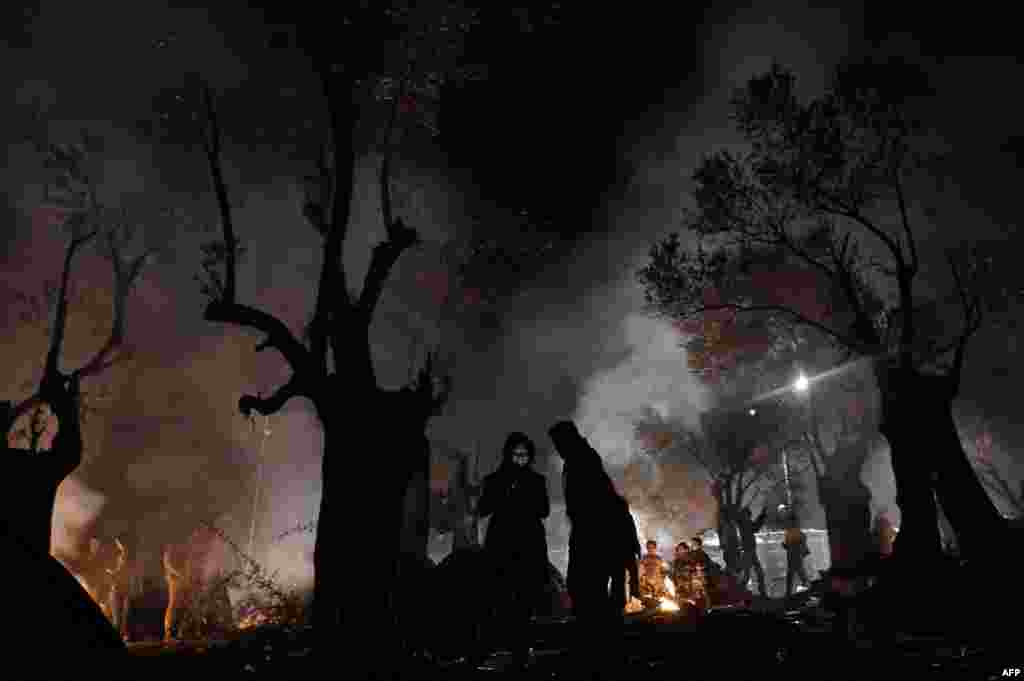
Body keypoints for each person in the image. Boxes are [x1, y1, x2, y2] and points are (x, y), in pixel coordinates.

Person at [548, 420, 640, 670]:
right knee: (590, 597)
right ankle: (602, 653)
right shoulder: (581, 458)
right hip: (591, 539)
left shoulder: (582, 460)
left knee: (588, 596)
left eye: (558, 443)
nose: (557, 449)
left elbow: (590, 505)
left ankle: (599, 656)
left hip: (593, 541)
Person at [476, 432, 550, 667]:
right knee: (499, 598)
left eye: (524, 456)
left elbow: (544, 510)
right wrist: (503, 492)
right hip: (502, 548)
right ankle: (495, 646)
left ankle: (520, 650)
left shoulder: (537, 481)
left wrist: (522, 498)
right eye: (516, 455)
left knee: (525, 601)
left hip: (528, 547)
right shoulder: (495, 480)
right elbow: (483, 508)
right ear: (508, 455)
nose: (520, 460)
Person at [736, 507, 768, 596]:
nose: (749, 517)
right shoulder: (743, 524)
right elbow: (755, 527)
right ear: (744, 516)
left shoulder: (744, 523)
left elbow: (755, 527)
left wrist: (762, 515)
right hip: (748, 552)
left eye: (748, 515)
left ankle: (761, 591)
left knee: (756, 573)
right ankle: (740, 593)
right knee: (750, 574)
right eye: (747, 515)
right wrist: (762, 515)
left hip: (751, 551)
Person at [783, 521, 812, 598]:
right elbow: (803, 543)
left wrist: (785, 545)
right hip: (795, 555)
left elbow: (787, 545)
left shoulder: (789, 533)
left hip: (793, 555)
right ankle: (807, 590)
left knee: (794, 573)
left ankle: (788, 593)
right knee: (799, 572)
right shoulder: (797, 533)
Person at [637, 540, 669, 606]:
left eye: (652, 547)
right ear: (647, 548)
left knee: (659, 604)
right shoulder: (643, 559)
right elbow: (640, 571)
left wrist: (662, 583)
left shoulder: (659, 559)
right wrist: (641, 581)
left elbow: (664, 572)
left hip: (658, 585)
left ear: (655, 548)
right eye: (648, 548)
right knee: (647, 603)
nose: (650, 549)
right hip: (646, 585)